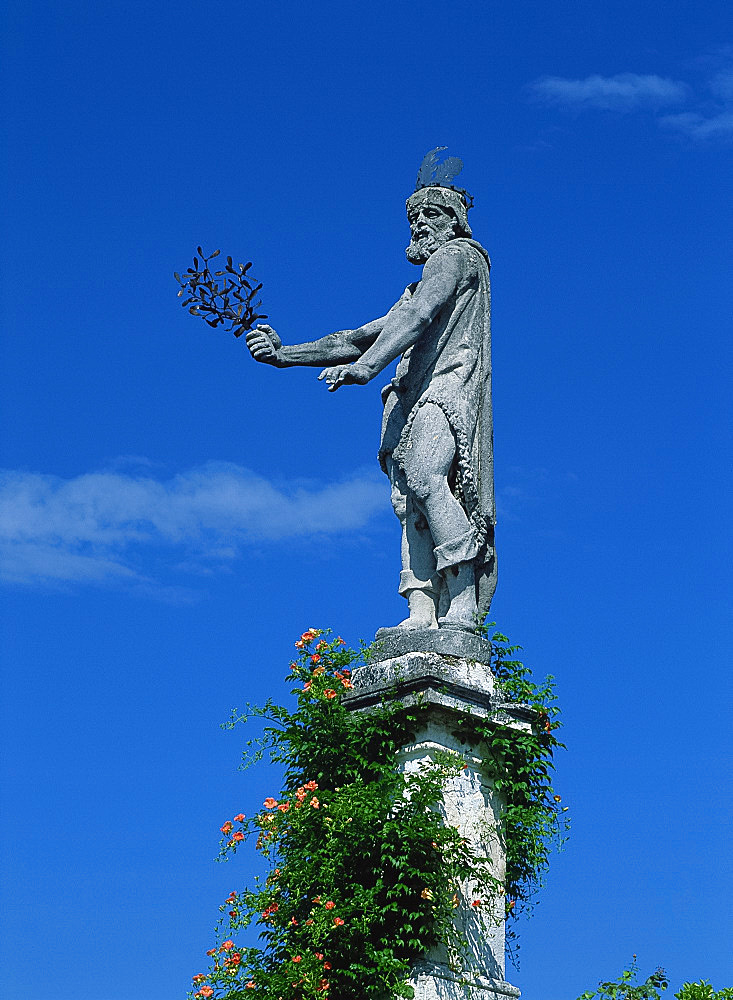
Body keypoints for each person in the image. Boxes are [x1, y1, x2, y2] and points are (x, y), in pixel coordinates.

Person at [245, 180, 495, 634]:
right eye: (413, 217)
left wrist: (366, 369)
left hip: (447, 386)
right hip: (411, 394)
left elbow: (417, 323)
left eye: (431, 215)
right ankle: (421, 610)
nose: (419, 224)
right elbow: (357, 337)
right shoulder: (414, 290)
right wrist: (286, 355)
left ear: (454, 222)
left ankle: (461, 601)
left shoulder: (456, 258)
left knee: (426, 478)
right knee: (409, 502)